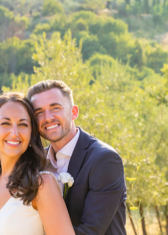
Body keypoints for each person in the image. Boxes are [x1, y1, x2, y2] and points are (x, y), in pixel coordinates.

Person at [27, 80, 127, 235]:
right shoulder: (35, 163)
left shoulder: (104, 160)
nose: (48, 118)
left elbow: (90, 232)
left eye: (55, 108)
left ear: (74, 112)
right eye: (39, 112)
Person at [0, 92, 75, 235]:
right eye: (5, 123)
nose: (14, 133)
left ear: (31, 132)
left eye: (23, 124)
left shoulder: (41, 184)